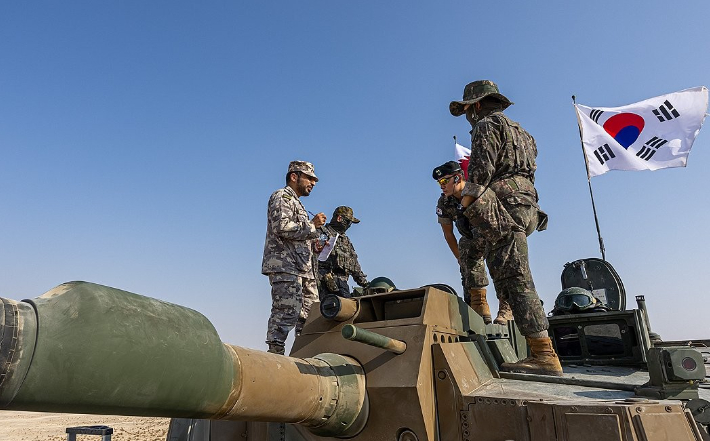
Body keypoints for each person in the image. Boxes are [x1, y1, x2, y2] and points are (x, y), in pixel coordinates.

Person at [449, 80, 562, 376]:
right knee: (472, 246)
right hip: (526, 206)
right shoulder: (524, 133)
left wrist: (466, 203)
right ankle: (480, 304)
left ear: (475, 106)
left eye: (467, 111)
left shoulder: (487, 125)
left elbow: (481, 170)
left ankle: (543, 355)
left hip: (501, 206)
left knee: (515, 276)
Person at [432, 160, 513, 325]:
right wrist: (460, 260)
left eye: (444, 181)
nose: (441, 186)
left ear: (457, 178)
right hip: (472, 240)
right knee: (466, 250)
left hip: (496, 237)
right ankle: (478, 303)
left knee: (500, 264)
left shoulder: (478, 191)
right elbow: (448, 234)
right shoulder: (444, 202)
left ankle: (506, 305)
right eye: (439, 182)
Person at [262, 160, 327, 355]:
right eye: (309, 178)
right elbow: (282, 228)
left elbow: (299, 236)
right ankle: (274, 358)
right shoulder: (282, 197)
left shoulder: (298, 204)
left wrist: (316, 244)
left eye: (314, 180)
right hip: (285, 266)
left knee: (310, 319)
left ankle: (304, 359)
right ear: (294, 176)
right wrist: (312, 226)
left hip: (303, 270)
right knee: (285, 313)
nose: (313, 183)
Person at [316, 206, 368, 299]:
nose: (349, 225)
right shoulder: (321, 233)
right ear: (339, 218)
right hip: (322, 284)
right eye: (348, 221)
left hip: (342, 285)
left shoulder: (345, 240)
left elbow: (354, 265)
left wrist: (366, 284)